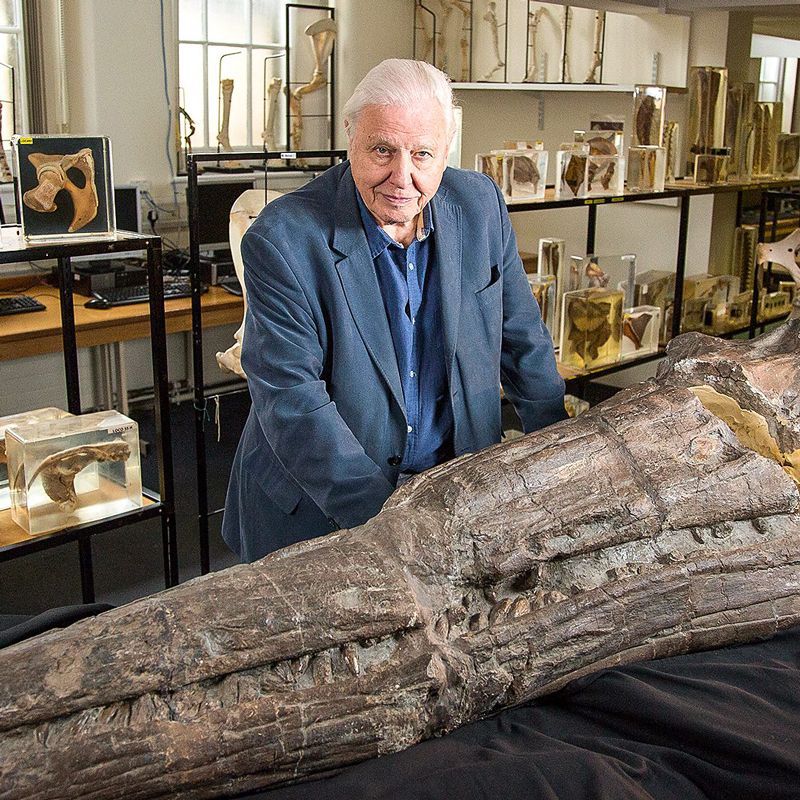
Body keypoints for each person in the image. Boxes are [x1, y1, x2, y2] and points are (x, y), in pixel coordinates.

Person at [222, 58, 566, 562]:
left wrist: (564, 465)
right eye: (382, 150)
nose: (401, 178)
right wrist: (394, 531)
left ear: (447, 150)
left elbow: (524, 343)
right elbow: (294, 404)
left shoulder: (479, 205)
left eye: (422, 154)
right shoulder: (283, 239)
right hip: (317, 513)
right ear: (350, 139)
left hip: (452, 496)